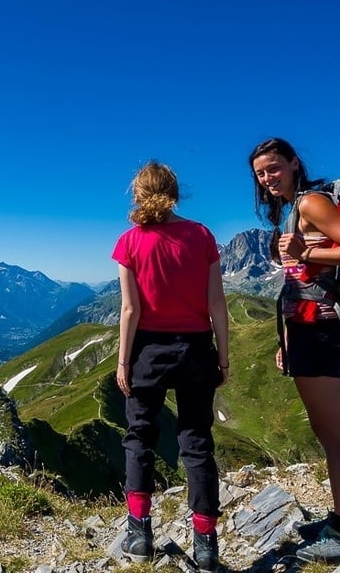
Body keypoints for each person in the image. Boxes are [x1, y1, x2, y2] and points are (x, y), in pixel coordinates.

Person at [248, 137, 340, 564]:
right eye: (260, 173)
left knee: (336, 434)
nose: (268, 178)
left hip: (320, 330)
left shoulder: (309, 204)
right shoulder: (294, 208)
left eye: (273, 168)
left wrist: (308, 249)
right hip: (306, 332)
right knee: (331, 433)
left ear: (292, 163)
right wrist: (285, 340)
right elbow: (302, 278)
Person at [112, 160, 229, 571]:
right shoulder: (201, 236)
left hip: (148, 352)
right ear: (175, 192)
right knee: (196, 442)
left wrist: (123, 361)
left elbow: (130, 309)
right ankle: (206, 544)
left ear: (138, 193)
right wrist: (223, 355)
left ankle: (140, 534)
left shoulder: (129, 242)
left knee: (139, 438)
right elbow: (217, 304)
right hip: (196, 350)